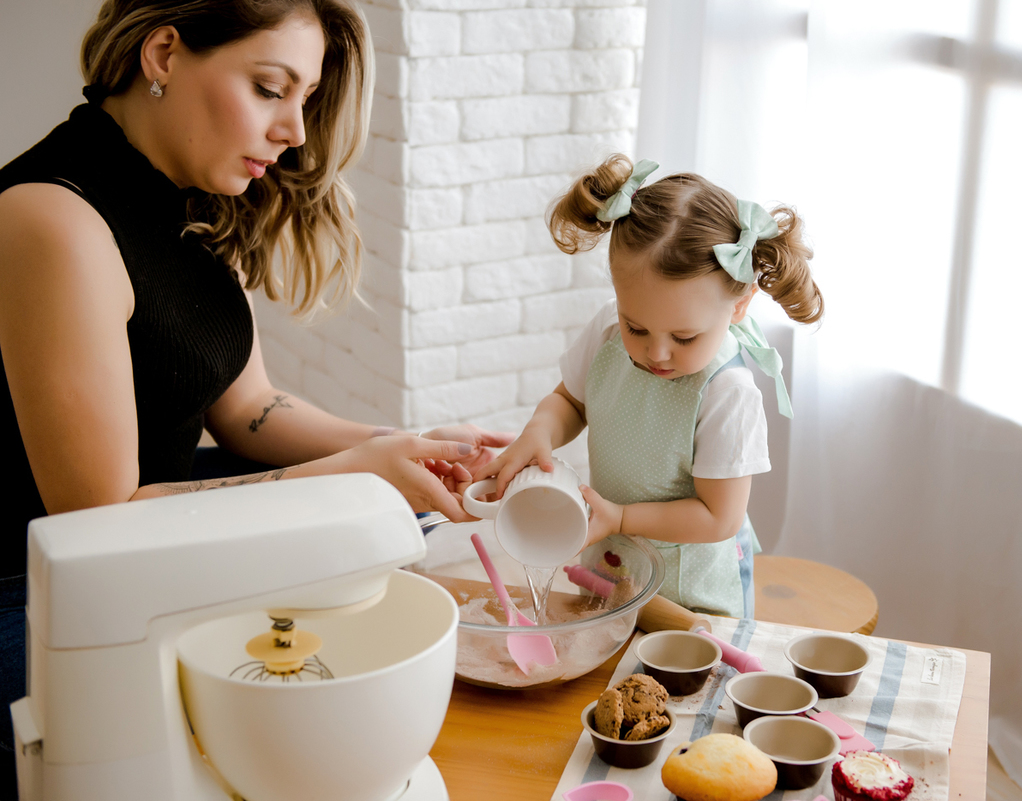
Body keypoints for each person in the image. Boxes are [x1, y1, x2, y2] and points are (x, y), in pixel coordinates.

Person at [0, 0, 511, 789]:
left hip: (146, 544)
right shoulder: (52, 219)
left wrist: (400, 444)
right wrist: (355, 472)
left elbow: (248, 409)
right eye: (271, 88)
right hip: (38, 602)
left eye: (304, 98)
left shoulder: (187, 198)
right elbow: (98, 520)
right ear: (164, 54)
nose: (297, 131)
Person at [478, 155, 823, 620]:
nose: (656, 353)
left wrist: (621, 519)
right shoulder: (607, 332)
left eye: (684, 338)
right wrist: (539, 432)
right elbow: (568, 400)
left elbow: (718, 517)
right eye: (636, 327)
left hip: (693, 600)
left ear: (739, 307)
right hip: (613, 570)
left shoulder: (727, 393)